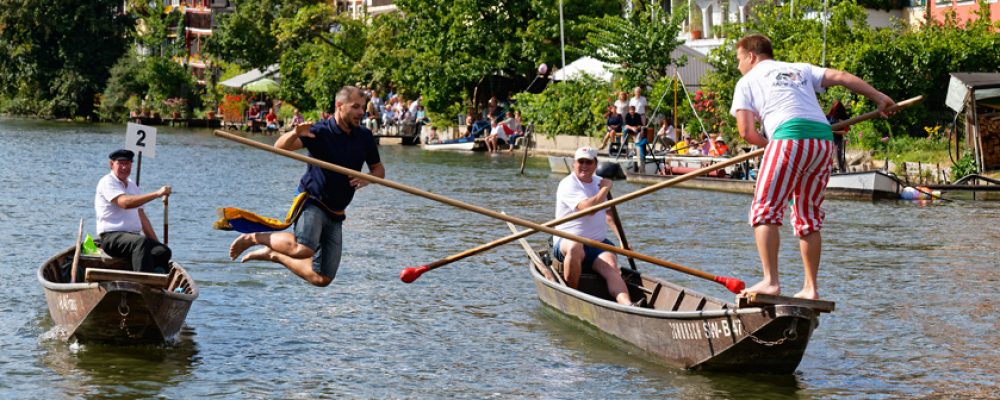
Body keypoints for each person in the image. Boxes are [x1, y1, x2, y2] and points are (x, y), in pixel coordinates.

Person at [731, 34, 894, 300]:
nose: (738, 67)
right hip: (822, 141)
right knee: (807, 216)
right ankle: (811, 288)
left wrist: (771, 145)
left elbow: (746, 132)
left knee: (764, 211)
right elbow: (841, 76)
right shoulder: (800, 69)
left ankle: (771, 281)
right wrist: (879, 97)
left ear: (751, 56)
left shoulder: (746, 81)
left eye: (739, 60)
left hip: (788, 138)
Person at [229, 86, 385, 287]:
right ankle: (252, 238)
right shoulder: (319, 131)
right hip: (313, 200)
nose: (361, 112)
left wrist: (368, 178)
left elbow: (378, 170)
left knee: (322, 278)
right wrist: (295, 133)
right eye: (355, 107)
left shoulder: (364, 136)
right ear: (339, 105)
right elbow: (280, 147)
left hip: (337, 211)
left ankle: (274, 255)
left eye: (363, 107)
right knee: (304, 249)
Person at [553, 147, 632, 306]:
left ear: (595, 164)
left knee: (611, 263)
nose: (584, 166)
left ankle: (628, 305)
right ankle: (572, 298)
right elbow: (588, 209)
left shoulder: (599, 182)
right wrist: (605, 189)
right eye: (580, 161)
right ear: (574, 164)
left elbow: (609, 215)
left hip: (597, 243)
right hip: (567, 241)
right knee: (575, 246)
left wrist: (622, 241)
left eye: (588, 162)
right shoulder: (568, 184)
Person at [94, 149, 172, 273]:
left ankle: (158, 281)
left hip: (133, 238)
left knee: (163, 251)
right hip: (111, 237)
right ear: (111, 164)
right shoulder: (107, 182)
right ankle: (143, 281)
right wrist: (157, 194)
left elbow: (142, 217)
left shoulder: (133, 186)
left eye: (128, 164)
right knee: (140, 242)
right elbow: (125, 203)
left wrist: (157, 243)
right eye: (121, 163)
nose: (124, 167)